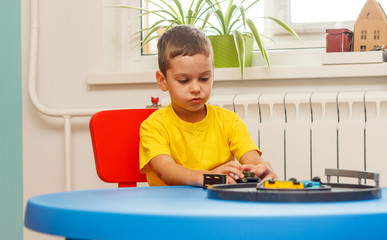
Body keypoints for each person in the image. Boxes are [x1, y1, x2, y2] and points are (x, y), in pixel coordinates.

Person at [139, 25, 277, 187]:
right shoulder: (153, 126)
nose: (196, 88)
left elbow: (252, 159)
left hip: (216, 207)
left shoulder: (229, 121)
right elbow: (165, 170)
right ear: (163, 81)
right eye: (184, 81)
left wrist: (261, 168)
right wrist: (209, 177)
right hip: (171, 208)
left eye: (204, 78)